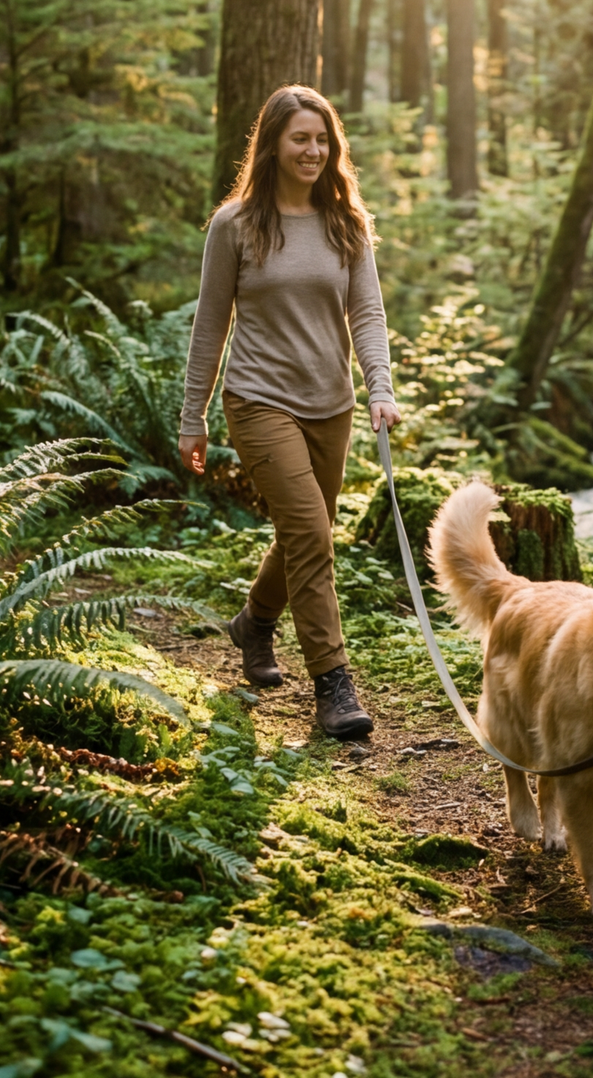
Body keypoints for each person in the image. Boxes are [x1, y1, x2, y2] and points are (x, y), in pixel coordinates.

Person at [178, 86, 399, 740]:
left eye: (322, 139)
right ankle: (333, 684)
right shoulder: (236, 224)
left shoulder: (345, 223)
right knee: (309, 532)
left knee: (309, 532)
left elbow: (367, 312)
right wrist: (194, 416)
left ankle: (253, 623)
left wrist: (380, 385)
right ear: (272, 143)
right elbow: (210, 325)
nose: (313, 150)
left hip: (332, 405)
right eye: (300, 138)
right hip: (258, 400)